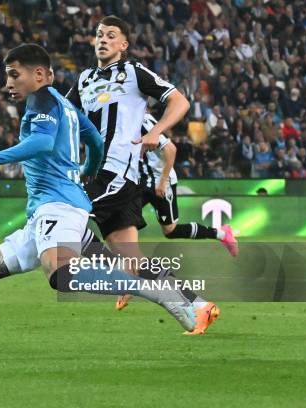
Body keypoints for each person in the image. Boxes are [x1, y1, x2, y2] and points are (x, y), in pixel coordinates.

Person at [0, 44, 197, 359]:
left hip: (58, 207)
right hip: (50, 211)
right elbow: (93, 137)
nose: (8, 83)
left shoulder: (40, 100)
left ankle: (155, 291)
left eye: (14, 75)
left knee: (61, 275)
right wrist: (88, 172)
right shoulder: (64, 105)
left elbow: (42, 142)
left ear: (38, 74)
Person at [64, 16, 221, 332]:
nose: (103, 39)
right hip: (99, 175)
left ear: (123, 45)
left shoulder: (133, 73)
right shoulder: (83, 80)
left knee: (65, 214)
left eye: (111, 35)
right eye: (99, 35)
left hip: (117, 175)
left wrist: (157, 131)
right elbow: (63, 120)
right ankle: (200, 305)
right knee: (132, 262)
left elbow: (179, 101)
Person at [139, 113, 238, 251]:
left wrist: (162, 181)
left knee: (170, 231)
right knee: (123, 219)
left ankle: (222, 234)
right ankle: (123, 261)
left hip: (159, 181)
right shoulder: (121, 122)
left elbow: (171, 149)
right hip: (138, 182)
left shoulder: (142, 120)